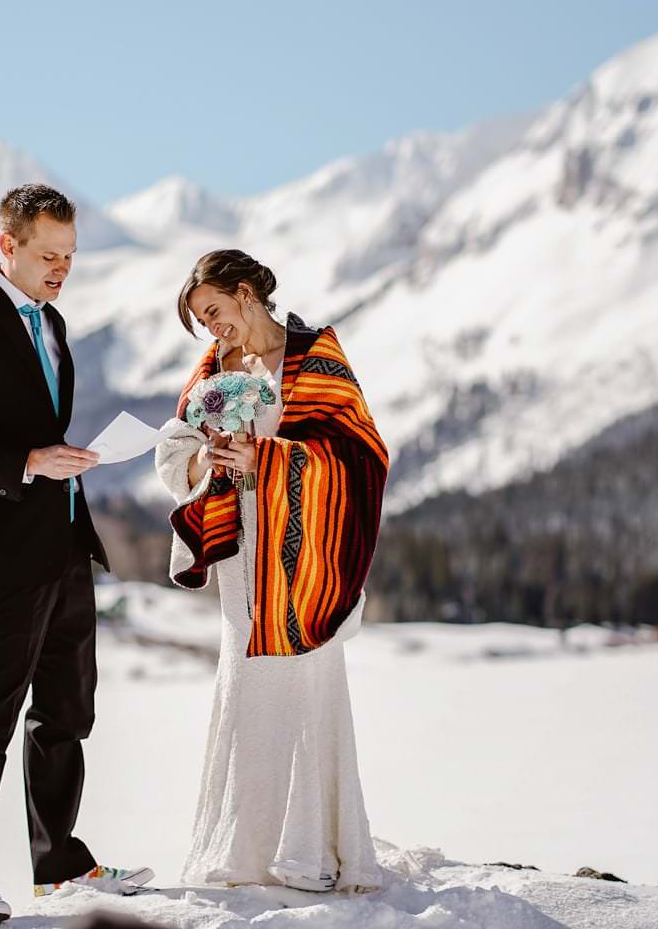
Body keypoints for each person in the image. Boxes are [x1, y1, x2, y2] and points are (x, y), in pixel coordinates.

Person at [0, 183, 151, 921]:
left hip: (64, 543)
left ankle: (59, 865)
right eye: (49, 255)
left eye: (70, 257)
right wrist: (28, 461)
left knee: (65, 710)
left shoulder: (52, 323)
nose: (61, 269)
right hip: (2, 554)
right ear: (7, 245)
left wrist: (65, 463)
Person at [153, 248, 389, 893]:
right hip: (244, 555)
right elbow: (174, 453)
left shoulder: (316, 359)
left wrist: (270, 458)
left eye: (214, 312)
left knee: (309, 684)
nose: (210, 330)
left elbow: (359, 456)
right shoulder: (214, 368)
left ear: (248, 292)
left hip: (308, 551)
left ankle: (311, 851)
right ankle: (247, 851)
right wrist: (210, 463)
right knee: (247, 680)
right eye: (201, 321)